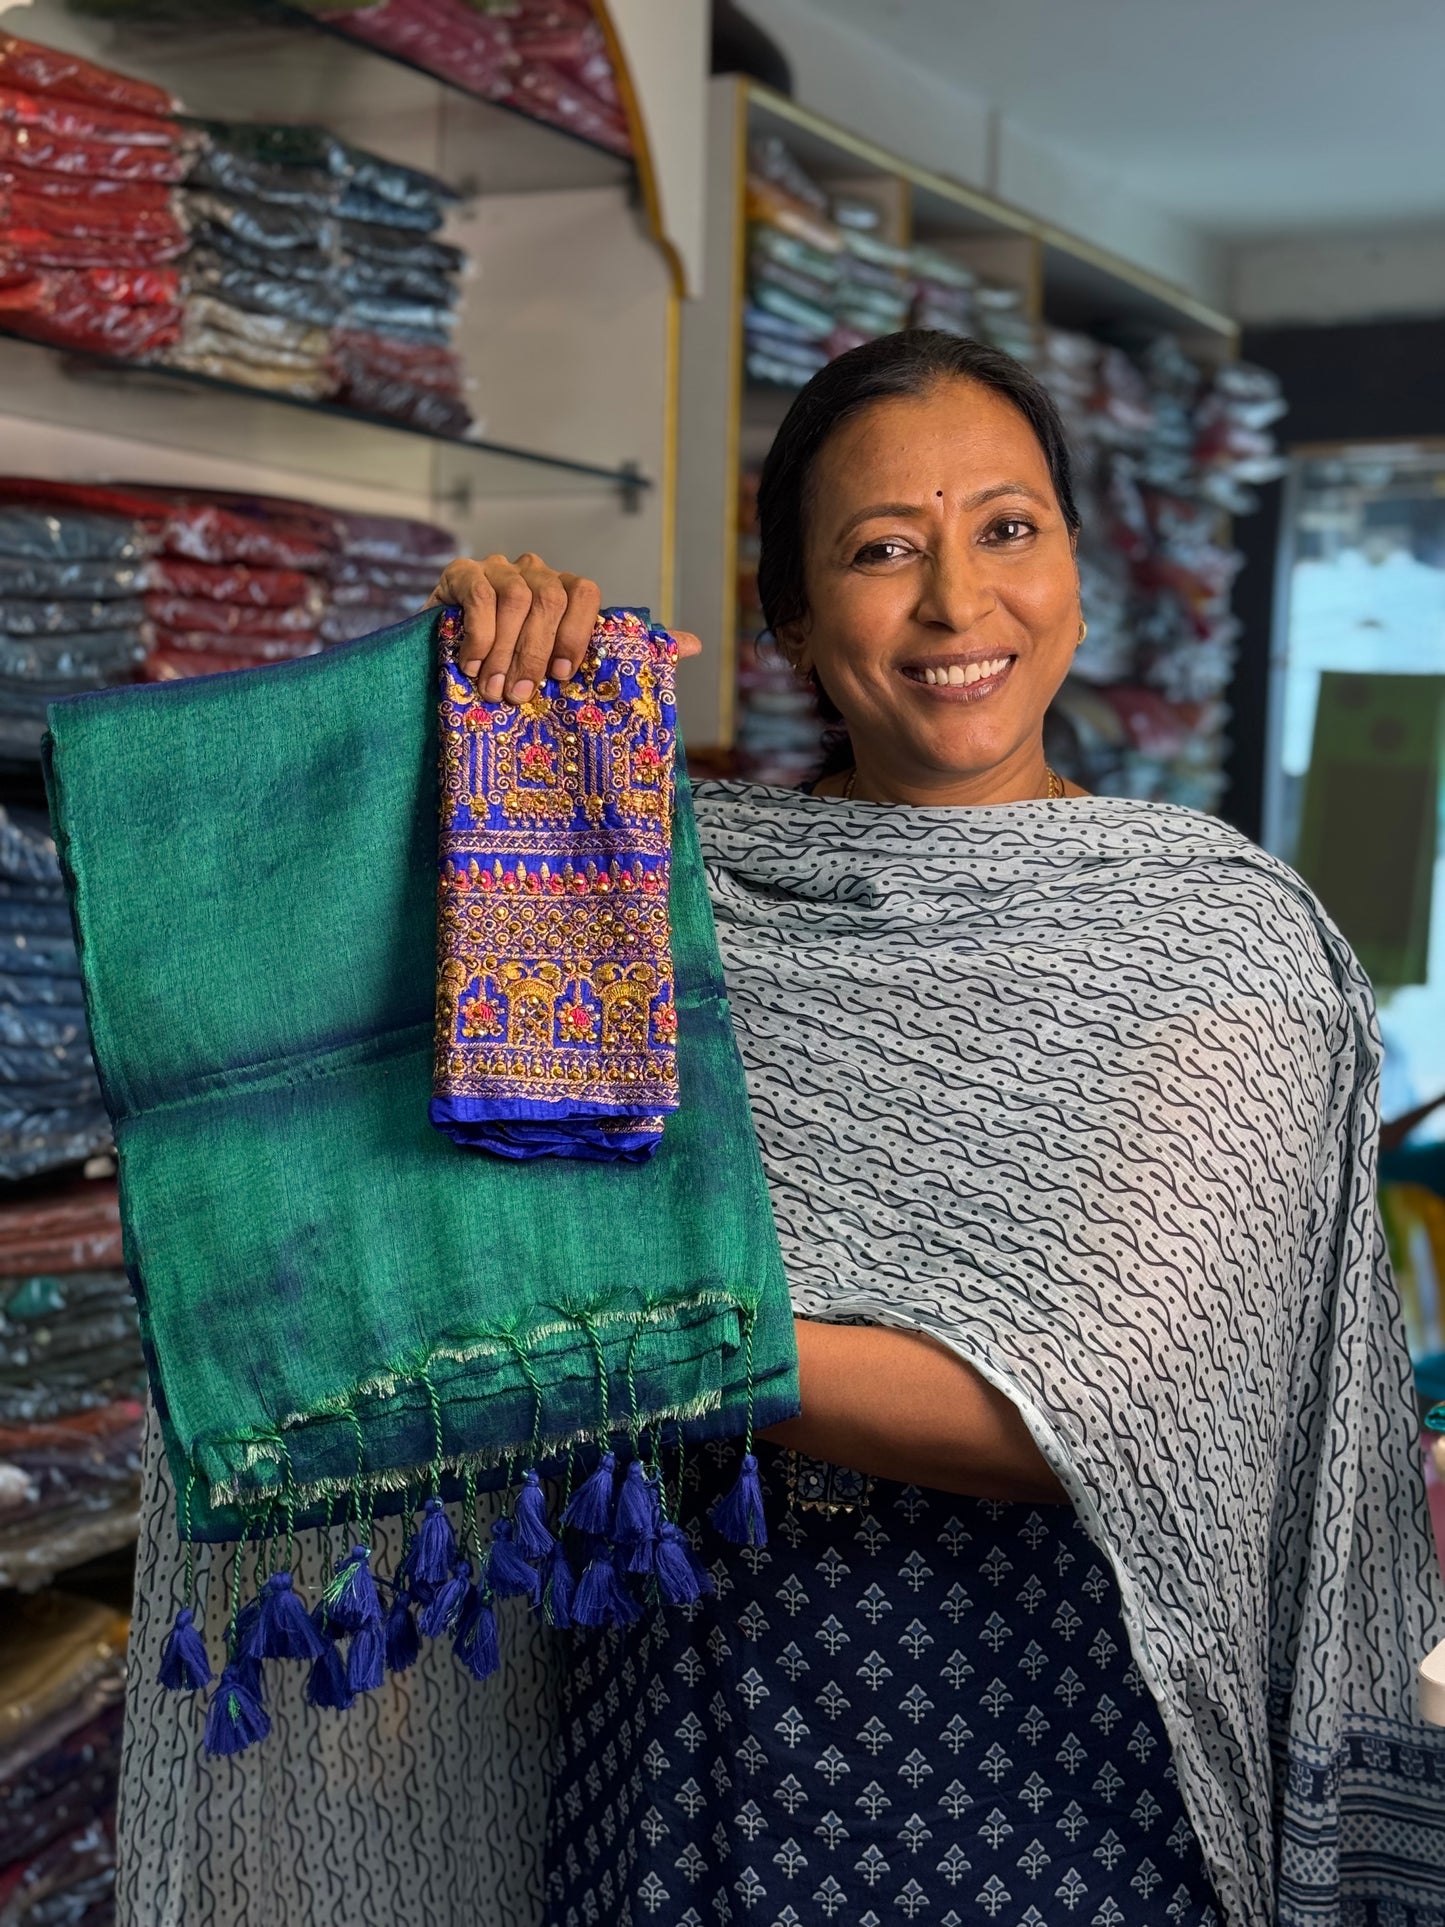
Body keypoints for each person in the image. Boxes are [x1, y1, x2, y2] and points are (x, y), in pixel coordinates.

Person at [117, 332, 1445, 1927]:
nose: (958, 603)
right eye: (884, 550)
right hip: (657, 1737)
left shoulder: (1209, 944)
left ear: (1075, 567)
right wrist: (480, 723)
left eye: (1007, 529)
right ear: (797, 621)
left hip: (1027, 1779)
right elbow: (354, 1071)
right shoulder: (662, 891)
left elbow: (1096, 1417)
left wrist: (620, 1323)